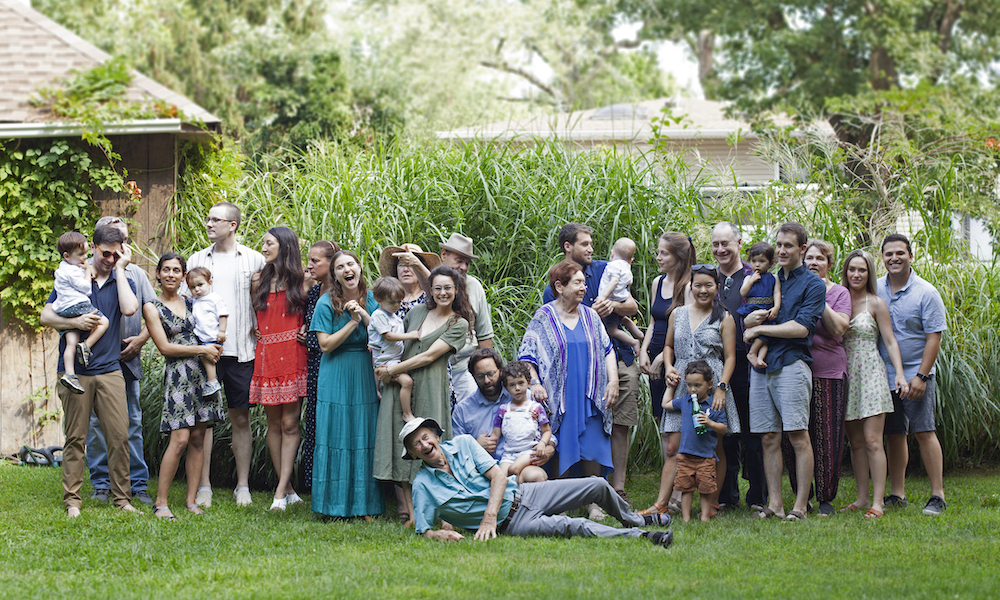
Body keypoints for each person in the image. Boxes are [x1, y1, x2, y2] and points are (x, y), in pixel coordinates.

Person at [402, 418, 673, 547]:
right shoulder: (424, 485)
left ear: (436, 436)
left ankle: (636, 520)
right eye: (417, 444)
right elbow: (423, 530)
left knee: (597, 484)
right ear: (413, 454)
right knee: (575, 525)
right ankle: (644, 536)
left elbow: (498, 476)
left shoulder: (463, 443)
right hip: (514, 524)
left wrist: (488, 517)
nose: (425, 445)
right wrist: (440, 533)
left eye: (426, 437)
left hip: (526, 493)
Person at [40, 225, 140, 517]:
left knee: (120, 436)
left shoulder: (120, 279)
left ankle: (122, 499)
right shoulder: (72, 277)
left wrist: (121, 269)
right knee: (75, 438)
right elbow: (46, 315)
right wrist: (76, 323)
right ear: (93, 247)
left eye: (116, 254)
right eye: (105, 252)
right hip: (75, 372)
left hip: (110, 370)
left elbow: (130, 308)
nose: (109, 258)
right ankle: (72, 501)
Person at [543, 223, 639, 501]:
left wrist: (614, 307)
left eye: (592, 243)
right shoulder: (557, 281)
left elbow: (632, 306)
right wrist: (589, 313)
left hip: (619, 356)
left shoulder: (605, 268)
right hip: (583, 367)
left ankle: (617, 488)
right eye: (585, 244)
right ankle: (576, 489)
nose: (591, 248)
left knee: (621, 420)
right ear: (567, 247)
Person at [373, 265, 473, 525]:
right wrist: (383, 368)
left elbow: (429, 355)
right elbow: (394, 343)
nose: (442, 293)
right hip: (401, 385)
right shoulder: (417, 312)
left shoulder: (458, 323)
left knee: (432, 446)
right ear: (431, 289)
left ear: (457, 290)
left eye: (448, 288)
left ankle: (444, 514)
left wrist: (393, 369)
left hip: (429, 385)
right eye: (437, 287)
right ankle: (413, 514)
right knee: (403, 445)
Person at [521, 259, 618, 520]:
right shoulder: (544, 316)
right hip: (559, 397)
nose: (584, 288)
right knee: (563, 445)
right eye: (577, 283)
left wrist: (613, 381)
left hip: (590, 393)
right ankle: (561, 501)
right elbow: (528, 354)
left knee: (593, 445)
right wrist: (535, 382)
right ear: (559, 286)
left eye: (584, 283)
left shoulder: (590, 315)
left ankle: (593, 502)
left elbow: (608, 350)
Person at [743, 222, 826, 521]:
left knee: (798, 435)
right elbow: (748, 315)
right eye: (778, 245)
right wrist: (748, 323)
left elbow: (802, 327)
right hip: (762, 368)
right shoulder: (768, 278)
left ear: (802, 249)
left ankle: (800, 506)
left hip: (792, 364)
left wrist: (760, 328)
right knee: (768, 438)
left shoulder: (813, 284)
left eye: (788, 246)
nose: (780, 250)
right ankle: (775, 504)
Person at [641, 264, 738, 518]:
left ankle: (713, 502)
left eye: (709, 285)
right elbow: (668, 346)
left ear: (717, 287)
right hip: (681, 382)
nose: (703, 290)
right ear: (690, 287)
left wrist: (721, 388)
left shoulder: (724, 318)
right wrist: (670, 366)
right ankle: (661, 503)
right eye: (698, 285)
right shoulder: (678, 314)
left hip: (711, 384)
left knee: (713, 445)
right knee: (674, 445)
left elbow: (729, 358)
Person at [185, 202, 264, 508]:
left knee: (240, 417)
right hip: (204, 353)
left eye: (215, 219)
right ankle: (204, 485)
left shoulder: (254, 259)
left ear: (232, 225)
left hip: (241, 352)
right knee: (203, 421)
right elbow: (185, 302)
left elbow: (265, 300)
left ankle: (242, 486)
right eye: (207, 218)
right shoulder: (197, 259)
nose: (209, 223)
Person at [144, 253, 226, 519]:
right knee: (179, 439)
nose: (171, 274)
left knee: (199, 439)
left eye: (176, 270)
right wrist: (201, 348)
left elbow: (213, 322)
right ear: (158, 274)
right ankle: (161, 503)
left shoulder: (193, 300)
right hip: (179, 375)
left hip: (203, 373)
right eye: (166, 269)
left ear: (183, 275)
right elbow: (165, 347)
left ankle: (191, 501)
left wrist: (215, 344)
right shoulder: (152, 307)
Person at [84, 216, 157, 506]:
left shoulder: (136, 274)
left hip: (128, 360)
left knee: (133, 423)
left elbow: (153, 315)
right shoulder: (85, 274)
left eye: (124, 242)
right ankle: (101, 483)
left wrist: (139, 341)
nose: (118, 250)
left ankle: (138, 484)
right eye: (113, 245)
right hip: (95, 362)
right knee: (95, 425)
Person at [309, 249, 384, 519]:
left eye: (350, 264)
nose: (346, 269)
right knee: (336, 432)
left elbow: (380, 334)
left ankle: (365, 505)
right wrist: (353, 323)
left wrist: (362, 313)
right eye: (340, 267)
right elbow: (325, 345)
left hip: (365, 371)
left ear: (359, 268)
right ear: (335, 275)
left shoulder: (374, 299)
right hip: (336, 371)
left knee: (363, 433)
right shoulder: (326, 303)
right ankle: (333, 505)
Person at [877, 234, 948, 516]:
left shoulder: (926, 293)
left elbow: (934, 339)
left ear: (911, 256)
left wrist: (921, 375)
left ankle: (937, 495)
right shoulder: (876, 289)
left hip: (916, 375)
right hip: (884, 376)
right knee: (895, 434)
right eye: (888, 254)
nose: (894, 258)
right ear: (882, 258)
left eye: (900, 253)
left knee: (924, 431)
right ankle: (897, 493)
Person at [779, 240, 851, 517]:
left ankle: (826, 498)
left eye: (820, 259)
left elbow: (838, 329)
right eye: (809, 258)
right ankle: (802, 495)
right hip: (793, 367)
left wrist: (816, 293)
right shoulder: (793, 287)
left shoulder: (839, 293)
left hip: (827, 372)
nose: (813, 263)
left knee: (826, 436)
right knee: (794, 435)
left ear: (829, 264)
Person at [841, 249, 909, 519]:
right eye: (852, 269)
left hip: (870, 372)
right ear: (845, 272)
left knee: (872, 440)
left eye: (862, 270)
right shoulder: (838, 299)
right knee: (855, 442)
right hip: (845, 374)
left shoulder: (875, 303)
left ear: (869, 273)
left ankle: (878, 502)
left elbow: (890, 341)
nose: (856, 274)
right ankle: (861, 497)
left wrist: (900, 375)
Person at [249, 226, 308, 510]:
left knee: (289, 423)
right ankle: (288, 488)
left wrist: (308, 328)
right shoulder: (257, 280)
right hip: (267, 355)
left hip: (294, 355)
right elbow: (255, 316)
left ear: (284, 246)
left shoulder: (303, 281)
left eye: (268, 243)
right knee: (273, 424)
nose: (263, 248)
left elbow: (317, 311)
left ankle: (279, 493)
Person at [711, 222, 766, 511]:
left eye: (726, 243)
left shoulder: (754, 275)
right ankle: (725, 495)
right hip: (715, 367)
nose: (720, 249)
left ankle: (757, 495)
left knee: (752, 433)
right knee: (723, 433)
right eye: (715, 245)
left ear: (739, 242)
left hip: (747, 366)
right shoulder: (708, 277)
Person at [451, 349, 558, 471]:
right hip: (483, 472)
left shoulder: (523, 396)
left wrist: (549, 449)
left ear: (501, 372)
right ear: (473, 377)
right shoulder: (463, 410)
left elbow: (547, 431)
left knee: (535, 476)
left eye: (491, 374)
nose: (487, 380)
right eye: (480, 376)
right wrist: (474, 446)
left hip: (524, 465)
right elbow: (455, 450)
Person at [299, 240, 340, 493]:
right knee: (314, 421)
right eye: (309, 260)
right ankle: (314, 483)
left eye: (316, 261)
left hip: (337, 362)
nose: (309, 265)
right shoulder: (313, 293)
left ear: (331, 263)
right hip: (314, 365)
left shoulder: (343, 292)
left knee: (336, 421)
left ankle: (338, 482)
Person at [664, 361, 728, 522]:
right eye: (689, 385)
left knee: (706, 489)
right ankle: (686, 518)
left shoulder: (714, 405)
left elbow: (723, 428)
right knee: (686, 488)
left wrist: (710, 423)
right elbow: (665, 404)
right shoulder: (685, 401)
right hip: (685, 455)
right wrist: (671, 387)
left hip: (706, 456)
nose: (693, 390)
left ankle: (705, 517)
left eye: (698, 385)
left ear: (710, 384)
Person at [52, 231, 110, 394]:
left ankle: (70, 374)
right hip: (77, 305)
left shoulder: (63, 268)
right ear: (66, 256)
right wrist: (87, 270)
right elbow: (86, 289)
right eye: (80, 254)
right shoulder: (72, 271)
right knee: (104, 322)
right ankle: (86, 346)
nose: (85, 257)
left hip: (64, 310)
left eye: (85, 253)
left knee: (70, 343)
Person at [485, 361, 552, 479]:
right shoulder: (503, 410)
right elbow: (495, 434)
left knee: (513, 469)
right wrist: (486, 442)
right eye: (512, 385)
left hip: (529, 451)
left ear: (528, 383)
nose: (517, 388)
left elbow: (546, 431)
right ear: (506, 388)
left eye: (521, 383)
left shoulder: (535, 408)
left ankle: (519, 487)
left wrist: (542, 443)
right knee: (500, 477)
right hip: (508, 454)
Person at [368, 277, 420, 422]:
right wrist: (410, 336)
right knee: (407, 382)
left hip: (395, 360)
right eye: (392, 302)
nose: (397, 305)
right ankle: (407, 413)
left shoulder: (393, 316)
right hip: (387, 361)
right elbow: (388, 336)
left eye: (399, 301)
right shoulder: (379, 315)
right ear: (378, 299)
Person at [596, 237, 644, 353]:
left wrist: (603, 296)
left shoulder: (613, 265)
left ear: (612, 253)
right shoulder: (626, 267)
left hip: (612, 298)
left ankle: (633, 341)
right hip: (622, 297)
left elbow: (614, 281)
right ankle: (638, 333)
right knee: (623, 318)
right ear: (630, 260)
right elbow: (629, 282)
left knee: (612, 330)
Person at [186, 267, 228, 396]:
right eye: (193, 287)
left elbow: (223, 315)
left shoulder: (214, 299)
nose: (197, 289)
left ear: (210, 283)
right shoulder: (196, 300)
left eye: (200, 285)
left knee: (206, 358)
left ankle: (212, 381)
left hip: (212, 337)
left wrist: (222, 331)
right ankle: (211, 380)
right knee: (203, 357)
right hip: (202, 337)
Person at [738, 242, 780, 369]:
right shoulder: (748, 278)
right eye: (754, 261)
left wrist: (776, 307)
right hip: (752, 309)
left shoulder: (773, 278)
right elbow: (743, 292)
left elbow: (777, 292)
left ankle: (759, 358)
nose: (757, 264)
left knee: (767, 336)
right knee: (757, 335)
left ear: (770, 263)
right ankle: (752, 353)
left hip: (767, 309)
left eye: (761, 261)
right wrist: (751, 281)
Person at [377, 243, 440, 318]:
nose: (406, 270)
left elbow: (437, 287)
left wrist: (416, 263)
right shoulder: (389, 297)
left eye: (411, 265)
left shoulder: (430, 295)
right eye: (401, 265)